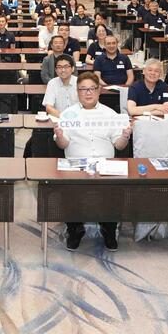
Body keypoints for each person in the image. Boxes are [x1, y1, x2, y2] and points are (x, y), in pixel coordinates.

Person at [53, 71, 132, 251]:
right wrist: (59, 136)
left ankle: (108, 228)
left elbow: (118, 146)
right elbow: (62, 144)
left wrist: (125, 137)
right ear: (77, 92)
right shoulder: (67, 114)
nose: (88, 93)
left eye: (91, 89)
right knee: (70, 189)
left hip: (104, 164)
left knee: (113, 190)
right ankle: (75, 229)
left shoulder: (110, 114)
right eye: (83, 89)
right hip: (77, 164)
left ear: (98, 91)